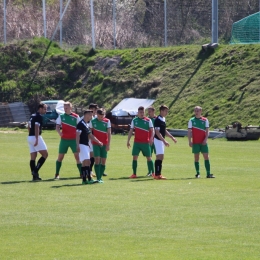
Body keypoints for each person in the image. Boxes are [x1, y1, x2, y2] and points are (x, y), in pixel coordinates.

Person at [55, 101, 81, 179]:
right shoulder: (61, 116)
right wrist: (59, 132)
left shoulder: (76, 117)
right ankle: (57, 174)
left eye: (66, 108)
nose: (65, 109)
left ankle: (81, 173)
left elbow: (80, 127)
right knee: (60, 157)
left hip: (74, 140)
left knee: (77, 157)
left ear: (71, 108)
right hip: (64, 140)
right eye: (64, 108)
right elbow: (57, 126)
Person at [76, 110, 103, 184]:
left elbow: (90, 135)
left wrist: (98, 142)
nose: (92, 116)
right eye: (91, 115)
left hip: (86, 145)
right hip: (82, 145)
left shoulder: (86, 124)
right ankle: (89, 178)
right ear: (86, 115)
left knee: (85, 162)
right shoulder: (81, 124)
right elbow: (77, 135)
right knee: (87, 161)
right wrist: (77, 145)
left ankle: (84, 180)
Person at [188, 106, 215, 178]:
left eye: (198, 111)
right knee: (196, 158)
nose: (196, 112)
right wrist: (190, 141)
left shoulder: (205, 120)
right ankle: (198, 173)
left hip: (203, 142)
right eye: (195, 111)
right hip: (196, 142)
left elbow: (207, 131)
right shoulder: (191, 120)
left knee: (206, 156)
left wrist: (205, 139)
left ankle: (208, 173)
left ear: (201, 111)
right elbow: (189, 131)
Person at [127, 106, 154, 178]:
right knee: (134, 157)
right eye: (140, 112)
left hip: (145, 142)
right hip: (137, 143)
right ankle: (134, 174)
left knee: (149, 158)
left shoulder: (148, 120)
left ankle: (153, 173)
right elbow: (130, 131)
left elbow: (152, 130)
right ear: (137, 113)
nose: (142, 114)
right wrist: (128, 140)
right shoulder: (134, 120)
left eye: (143, 112)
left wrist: (151, 138)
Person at [154, 105, 177, 180]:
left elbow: (164, 130)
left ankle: (157, 174)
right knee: (160, 156)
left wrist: (172, 137)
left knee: (160, 157)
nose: (167, 113)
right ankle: (158, 174)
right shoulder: (157, 120)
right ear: (161, 111)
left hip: (160, 140)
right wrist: (164, 141)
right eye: (166, 111)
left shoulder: (163, 119)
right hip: (158, 140)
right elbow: (157, 132)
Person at [89, 108, 111, 183]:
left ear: (104, 115)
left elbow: (109, 133)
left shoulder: (107, 121)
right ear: (96, 115)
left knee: (103, 161)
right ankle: (98, 178)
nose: (100, 118)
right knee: (97, 159)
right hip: (95, 144)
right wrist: (94, 140)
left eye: (102, 116)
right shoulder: (92, 121)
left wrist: (108, 145)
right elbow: (90, 133)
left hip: (104, 144)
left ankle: (100, 177)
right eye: (99, 116)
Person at [27, 103, 48, 181]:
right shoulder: (39, 116)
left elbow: (28, 126)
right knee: (45, 154)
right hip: (36, 137)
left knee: (33, 157)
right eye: (45, 109)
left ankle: (34, 177)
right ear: (40, 108)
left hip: (29, 137)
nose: (46, 111)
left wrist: (31, 135)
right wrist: (36, 138)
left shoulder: (32, 115)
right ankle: (35, 171)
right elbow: (36, 127)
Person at [147, 106, 157, 176]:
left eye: (150, 111)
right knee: (149, 156)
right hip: (149, 140)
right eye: (148, 111)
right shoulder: (147, 120)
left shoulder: (157, 119)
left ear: (153, 111)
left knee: (158, 156)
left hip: (156, 140)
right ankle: (150, 171)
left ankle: (156, 171)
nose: (148, 113)